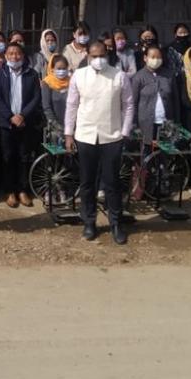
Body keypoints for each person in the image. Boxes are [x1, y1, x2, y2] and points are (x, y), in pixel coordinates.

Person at [64, 41, 135, 245]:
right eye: (94, 56)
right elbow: (71, 105)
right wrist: (69, 134)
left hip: (112, 136)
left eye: (102, 55)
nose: (98, 60)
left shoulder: (119, 76)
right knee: (87, 183)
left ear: (108, 55)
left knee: (112, 182)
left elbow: (128, 105)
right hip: (85, 135)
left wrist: (125, 132)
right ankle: (89, 222)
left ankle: (115, 223)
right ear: (87, 56)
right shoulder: (79, 75)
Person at [0, 42, 41, 208]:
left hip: (26, 123)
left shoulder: (31, 74)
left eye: (17, 53)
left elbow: (36, 97)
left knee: (24, 157)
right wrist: (11, 117)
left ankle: (23, 190)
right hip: (7, 124)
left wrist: (22, 115)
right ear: (5, 56)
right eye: (11, 53)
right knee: (8, 157)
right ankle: (10, 191)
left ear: (23, 56)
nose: (14, 56)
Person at [131, 45, 180, 148]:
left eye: (159, 57)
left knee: (166, 152)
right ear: (145, 58)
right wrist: (134, 124)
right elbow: (133, 103)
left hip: (166, 122)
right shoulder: (138, 77)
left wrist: (177, 121)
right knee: (147, 151)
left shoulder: (169, 75)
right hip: (146, 124)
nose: (156, 60)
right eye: (153, 57)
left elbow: (175, 100)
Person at [41, 54, 72, 128]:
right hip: (56, 127)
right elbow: (46, 106)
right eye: (59, 68)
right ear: (52, 68)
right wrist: (56, 125)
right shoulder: (47, 83)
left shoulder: (72, 81)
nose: (61, 71)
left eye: (64, 68)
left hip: (72, 124)